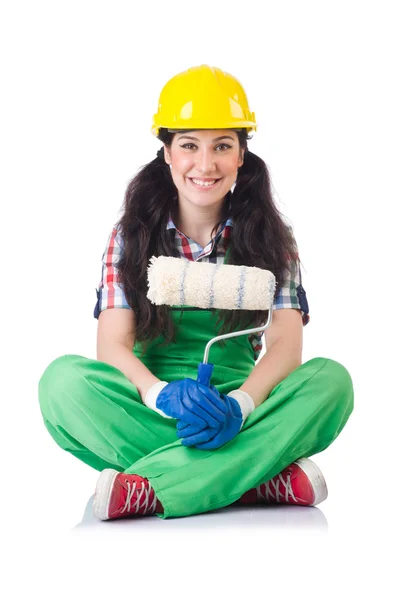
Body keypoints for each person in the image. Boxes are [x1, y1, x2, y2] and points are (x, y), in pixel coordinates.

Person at [38, 64, 354, 521]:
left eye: (222, 146)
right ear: (166, 152)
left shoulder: (273, 239)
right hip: (152, 403)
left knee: (332, 383)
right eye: (189, 145)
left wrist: (241, 406)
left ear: (242, 154)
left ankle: (150, 487)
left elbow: (286, 346)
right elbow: (112, 345)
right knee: (61, 384)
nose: (205, 165)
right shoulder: (129, 236)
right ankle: (254, 478)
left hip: (240, 400)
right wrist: (158, 394)